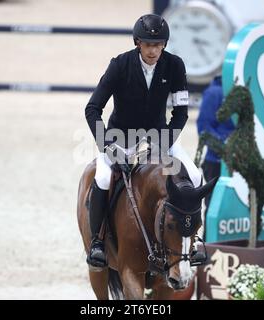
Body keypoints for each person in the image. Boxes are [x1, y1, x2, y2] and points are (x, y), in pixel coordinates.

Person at [85, 13, 202, 269]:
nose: (153, 50)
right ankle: (97, 242)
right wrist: (108, 146)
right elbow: (92, 108)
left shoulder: (175, 66)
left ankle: (195, 241)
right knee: (103, 177)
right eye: (149, 45)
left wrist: (164, 141)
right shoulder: (120, 65)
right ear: (138, 43)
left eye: (159, 45)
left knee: (194, 175)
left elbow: (181, 113)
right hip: (121, 137)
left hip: (160, 136)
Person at [196, 75, 234, 239]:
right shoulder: (214, 93)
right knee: (214, 207)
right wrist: (226, 146)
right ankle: (209, 244)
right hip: (217, 162)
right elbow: (204, 127)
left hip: (242, 160)